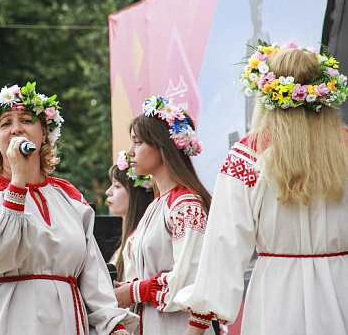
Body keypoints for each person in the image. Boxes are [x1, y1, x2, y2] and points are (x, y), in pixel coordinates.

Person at [174, 41, 348, 334]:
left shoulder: (248, 154)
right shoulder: (343, 146)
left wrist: (198, 322)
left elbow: (225, 242)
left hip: (277, 296)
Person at [0, 82, 139, 335]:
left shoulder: (69, 195)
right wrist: (17, 183)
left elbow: (92, 275)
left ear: (44, 133)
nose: (17, 128)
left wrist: (113, 326)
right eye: (6, 123)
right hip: (7, 321)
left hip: (65, 321)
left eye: (27, 120)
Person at [114, 95, 215, 334]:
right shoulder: (157, 204)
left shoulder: (186, 204)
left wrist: (132, 291)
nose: (130, 152)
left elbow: (191, 280)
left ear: (162, 145)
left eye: (138, 142)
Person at [106, 151, 154, 283]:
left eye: (116, 186)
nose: (108, 192)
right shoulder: (125, 244)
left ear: (135, 195)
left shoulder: (139, 243)